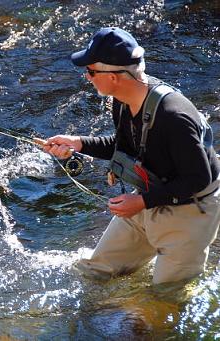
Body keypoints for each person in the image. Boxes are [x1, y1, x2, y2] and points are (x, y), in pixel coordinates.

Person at [41, 27, 220, 284]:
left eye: (91, 71)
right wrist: (79, 143)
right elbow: (126, 145)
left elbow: (197, 178)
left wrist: (141, 203)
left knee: (165, 297)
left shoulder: (173, 116)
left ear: (114, 76)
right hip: (152, 195)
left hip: (191, 210)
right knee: (94, 273)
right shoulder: (122, 100)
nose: (87, 78)